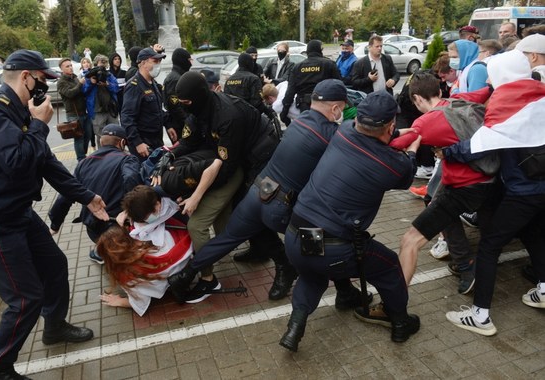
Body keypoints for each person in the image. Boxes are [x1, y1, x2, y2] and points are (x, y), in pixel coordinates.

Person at [0, 49, 109, 379]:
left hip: (16, 212)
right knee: (25, 299)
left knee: (56, 264)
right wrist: (39, 124)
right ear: (26, 77)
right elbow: (17, 160)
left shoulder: (16, 110)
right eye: (41, 81)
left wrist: (88, 197)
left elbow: (47, 162)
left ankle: (54, 328)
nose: (44, 89)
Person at [168, 79, 372, 306]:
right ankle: (336, 290)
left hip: (260, 188)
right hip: (285, 203)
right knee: (317, 243)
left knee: (232, 234)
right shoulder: (333, 132)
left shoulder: (298, 121)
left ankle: (184, 275)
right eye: (342, 109)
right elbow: (364, 146)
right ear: (336, 108)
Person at [279, 91, 422, 352]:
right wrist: (411, 151)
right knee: (389, 267)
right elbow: (406, 176)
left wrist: (396, 135)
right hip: (335, 247)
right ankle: (400, 322)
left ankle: (295, 326)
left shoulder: (343, 131)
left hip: (296, 234)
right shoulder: (392, 165)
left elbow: (373, 143)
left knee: (312, 276)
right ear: (390, 126)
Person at [445, 49, 545, 336]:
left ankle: (480, 316)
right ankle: (543, 289)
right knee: (534, 235)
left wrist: (447, 152)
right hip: (541, 189)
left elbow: (476, 146)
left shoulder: (508, 102)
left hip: (523, 192)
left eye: (492, 74)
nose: (489, 80)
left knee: (489, 246)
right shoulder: (539, 92)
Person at [168, 71, 281, 303]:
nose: (185, 107)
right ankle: (258, 250)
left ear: (199, 96)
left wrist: (197, 193)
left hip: (260, 152)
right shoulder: (198, 109)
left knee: (255, 207)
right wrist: (169, 156)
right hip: (234, 156)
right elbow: (189, 142)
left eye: (187, 102)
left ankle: (284, 267)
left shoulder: (227, 115)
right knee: (238, 209)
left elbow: (226, 168)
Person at [390, 72, 497, 293]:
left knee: (438, 214)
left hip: (463, 187)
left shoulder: (423, 123)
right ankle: (484, 263)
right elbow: (486, 91)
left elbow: (393, 145)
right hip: (494, 178)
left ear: (418, 99)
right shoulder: (463, 100)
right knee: (436, 199)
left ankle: (466, 266)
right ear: (440, 91)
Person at [48, 124, 142, 264]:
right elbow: (130, 178)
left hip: (93, 229)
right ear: (122, 143)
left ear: (100, 142)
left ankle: (100, 250)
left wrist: (55, 224)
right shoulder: (127, 159)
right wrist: (131, 209)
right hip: (118, 226)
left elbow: (66, 194)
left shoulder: (83, 163)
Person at [121, 47, 176, 160]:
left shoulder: (153, 83)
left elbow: (156, 109)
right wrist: (137, 143)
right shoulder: (134, 86)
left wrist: (168, 125)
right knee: (146, 174)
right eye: (155, 61)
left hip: (156, 139)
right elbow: (127, 118)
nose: (158, 65)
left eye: (159, 62)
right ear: (143, 63)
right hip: (143, 144)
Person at [280, 39, 341, 124]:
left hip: (305, 106)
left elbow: (290, 91)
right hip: (325, 105)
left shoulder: (297, 67)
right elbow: (339, 86)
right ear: (320, 50)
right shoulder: (329, 64)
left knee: (309, 131)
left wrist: (284, 111)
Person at [57, 57, 92, 161]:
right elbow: (70, 93)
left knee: (88, 135)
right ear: (61, 69)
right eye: (67, 66)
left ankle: (83, 155)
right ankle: (81, 159)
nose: (70, 68)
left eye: (71, 65)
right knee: (79, 138)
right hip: (73, 114)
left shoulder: (75, 77)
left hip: (83, 112)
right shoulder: (61, 82)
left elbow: (81, 92)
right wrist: (80, 84)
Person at [82, 54, 119, 149]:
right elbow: (84, 91)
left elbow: (116, 89)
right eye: (101, 62)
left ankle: (116, 154)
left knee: (115, 133)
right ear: (95, 63)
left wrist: (107, 84)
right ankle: (102, 154)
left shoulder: (109, 75)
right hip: (97, 110)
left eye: (104, 62)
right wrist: (91, 82)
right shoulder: (90, 75)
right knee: (101, 136)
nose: (103, 64)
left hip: (111, 109)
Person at [163, 48, 193, 140]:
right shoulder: (175, 79)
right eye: (189, 60)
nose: (191, 63)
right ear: (182, 61)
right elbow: (175, 106)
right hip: (179, 126)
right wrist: (189, 122)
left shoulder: (178, 76)